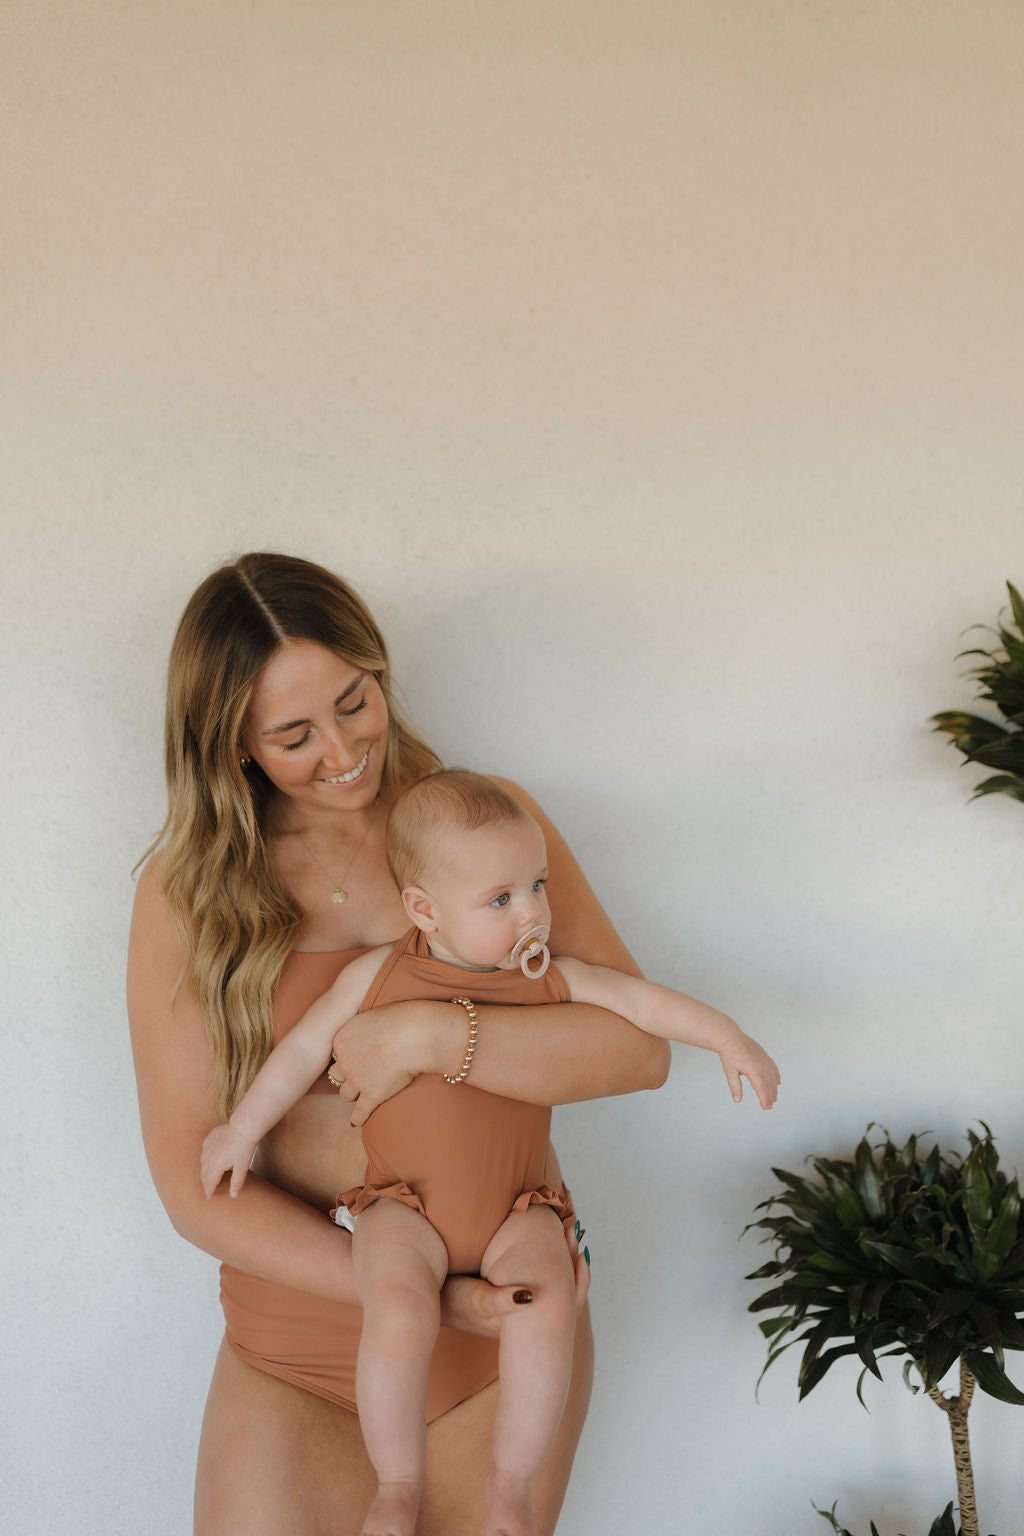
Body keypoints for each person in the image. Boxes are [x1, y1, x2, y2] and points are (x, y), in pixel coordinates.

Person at [126, 552, 670, 1536]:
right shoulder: (185, 892)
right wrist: (420, 1296)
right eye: (292, 734)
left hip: (501, 1343)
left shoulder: (480, 825)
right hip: (293, 1344)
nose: (341, 750)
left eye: (354, 700)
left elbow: (636, 1050)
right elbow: (188, 1185)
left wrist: (429, 1035)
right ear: (231, 745)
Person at [201, 770, 780, 1536]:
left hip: (517, 1210)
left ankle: (510, 1479)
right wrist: (241, 1129)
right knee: (399, 1310)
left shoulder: (545, 980)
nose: (534, 912)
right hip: (400, 1207)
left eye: (536, 886)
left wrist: (727, 1037)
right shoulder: (378, 974)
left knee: (546, 1308)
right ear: (424, 909)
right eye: (501, 900)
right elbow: (304, 1049)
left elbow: (642, 1007)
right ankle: (398, 1484)